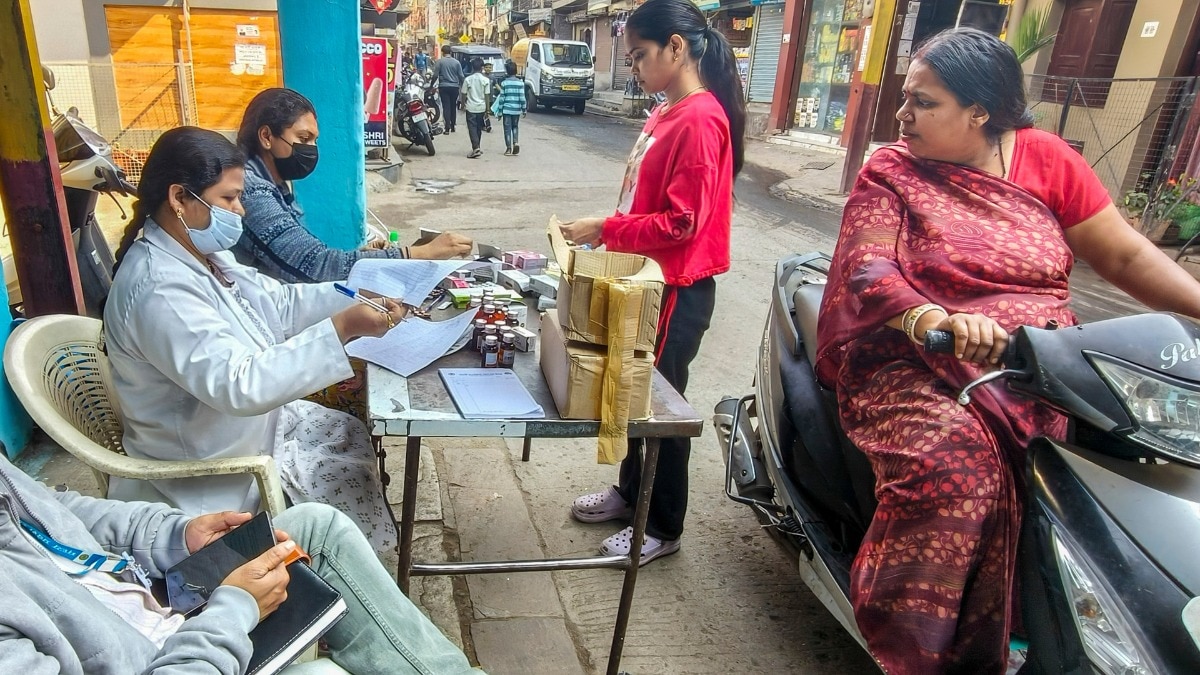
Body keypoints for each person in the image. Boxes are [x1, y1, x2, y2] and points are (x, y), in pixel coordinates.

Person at [815, 28, 1200, 674]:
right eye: (906, 99)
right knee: (954, 470)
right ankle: (916, 652)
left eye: (923, 102)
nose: (902, 115)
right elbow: (867, 269)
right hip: (915, 364)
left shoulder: (1046, 160)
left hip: (1033, 370)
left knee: (1085, 476)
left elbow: (1125, 254)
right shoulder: (892, 169)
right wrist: (933, 315)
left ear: (980, 112)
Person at [104, 127, 407, 555]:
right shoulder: (159, 288)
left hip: (250, 432)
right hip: (207, 469)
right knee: (339, 483)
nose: (240, 210)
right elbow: (240, 385)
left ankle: (361, 564)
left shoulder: (201, 254)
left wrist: (355, 295)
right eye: (229, 198)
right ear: (179, 198)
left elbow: (277, 303)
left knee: (347, 435)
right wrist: (342, 328)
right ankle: (340, 577)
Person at [0, 453, 481, 673]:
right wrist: (233, 611)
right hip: (167, 657)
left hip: (152, 605)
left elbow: (62, 510)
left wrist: (176, 535)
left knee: (317, 527)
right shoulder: (158, 290)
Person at [559, 0, 745, 565]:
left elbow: (683, 221)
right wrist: (611, 232)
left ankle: (662, 525)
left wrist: (606, 227)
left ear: (676, 47)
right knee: (634, 390)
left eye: (640, 55)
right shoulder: (667, 111)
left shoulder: (699, 118)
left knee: (659, 404)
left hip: (678, 287)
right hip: (647, 275)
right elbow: (647, 199)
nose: (634, 67)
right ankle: (629, 491)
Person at [233, 88, 472, 284]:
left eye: (315, 141)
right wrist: (421, 253)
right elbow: (315, 265)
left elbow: (299, 257)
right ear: (266, 136)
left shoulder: (273, 185)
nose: (312, 149)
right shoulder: (249, 189)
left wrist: (367, 257)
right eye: (304, 139)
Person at [491, 59, 527, 156]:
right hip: (516, 110)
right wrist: (524, 109)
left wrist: (499, 112)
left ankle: (508, 149)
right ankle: (515, 142)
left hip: (507, 110)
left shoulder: (504, 83)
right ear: (516, 71)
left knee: (507, 129)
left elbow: (502, 98)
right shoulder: (520, 83)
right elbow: (522, 98)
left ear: (507, 71)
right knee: (515, 127)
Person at [462, 57, 490, 159]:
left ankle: (475, 147)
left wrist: (462, 105)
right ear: (482, 68)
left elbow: (463, 93)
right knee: (478, 128)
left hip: (471, 107)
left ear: (472, 67)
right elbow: (487, 95)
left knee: (472, 128)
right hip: (481, 108)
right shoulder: (486, 80)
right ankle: (477, 146)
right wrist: (488, 109)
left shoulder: (468, 79)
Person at [433, 45, 464, 134]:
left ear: (442, 52)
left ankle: (447, 128)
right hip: (454, 87)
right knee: (453, 106)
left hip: (443, 87)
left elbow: (435, 75)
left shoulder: (440, 62)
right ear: (450, 52)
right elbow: (461, 76)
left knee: (446, 107)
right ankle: (453, 126)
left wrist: (431, 85)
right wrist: (464, 86)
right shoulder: (456, 62)